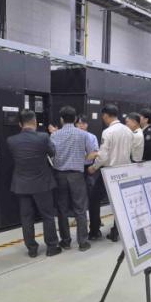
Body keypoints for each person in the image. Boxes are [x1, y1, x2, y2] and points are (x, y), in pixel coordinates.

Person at [7, 109, 62, 258]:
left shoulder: (11, 140)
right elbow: (52, 153)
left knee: (26, 217)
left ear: (20, 124)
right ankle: (52, 247)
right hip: (42, 184)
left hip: (21, 184)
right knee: (47, 216)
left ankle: (32, 248)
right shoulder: (43, 137)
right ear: (35, 122)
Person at [50, 106, 96, 252]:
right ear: (75, 119)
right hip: (77, 175)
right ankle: (83, 242)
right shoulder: (83, 134)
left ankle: (65, 241)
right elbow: (92, 153)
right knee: (80, 208)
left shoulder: (54, 135)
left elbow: (51, 155)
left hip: (60, 175)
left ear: (61, 119)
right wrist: (81, 160)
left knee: (62, 209)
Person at [87, 104, 134, 242]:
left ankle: (94, 231)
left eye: (103, 116)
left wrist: (93, 167)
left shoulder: (108, 132)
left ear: (106, 115)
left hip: (109, 172)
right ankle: (116, 232)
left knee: (94, 199)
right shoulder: (128, 131)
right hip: (124, 171)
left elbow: (103, 156)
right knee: (119, 202)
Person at [76, 114, 100, 190]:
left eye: (83, 123)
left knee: (88, 187)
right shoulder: (72, 136)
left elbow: (95, 152)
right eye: (79, 123)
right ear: (76, 124)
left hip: (87, 166)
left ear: (87, 124)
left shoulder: (92, 137)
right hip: (75, 167)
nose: (81, 125)